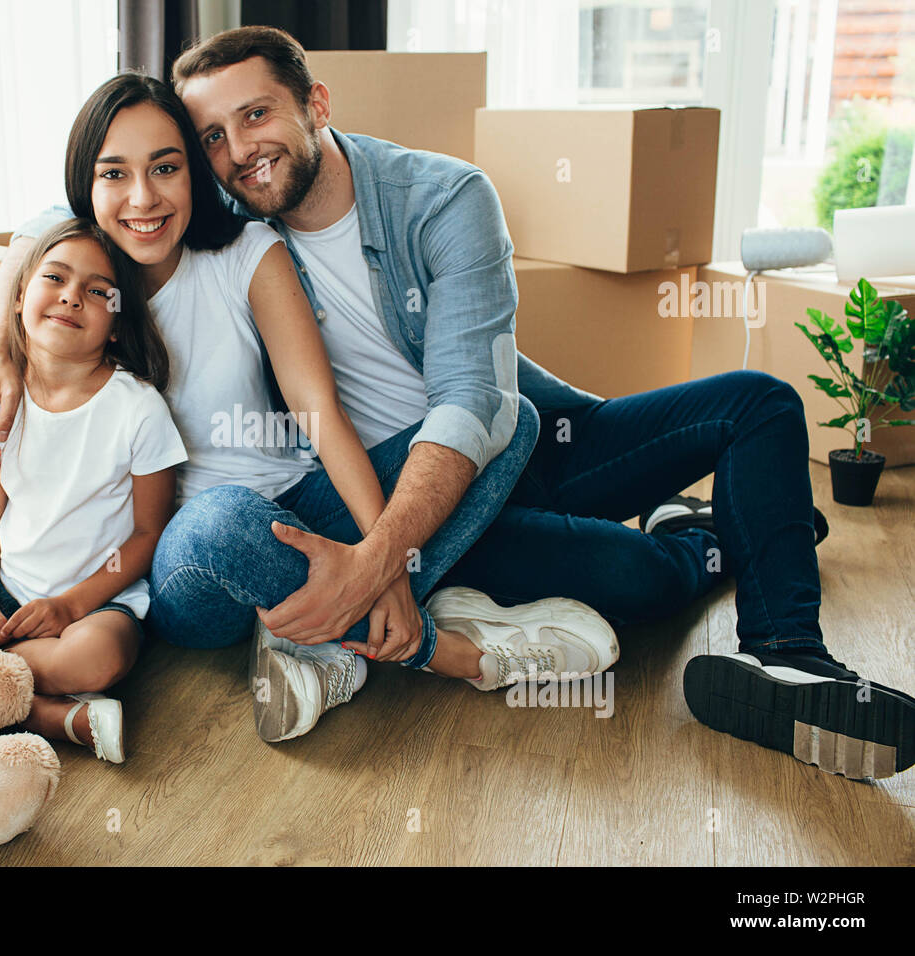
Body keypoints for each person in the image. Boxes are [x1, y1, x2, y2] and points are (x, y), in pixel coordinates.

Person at [163, 25, 915, 779]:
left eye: (256, 114)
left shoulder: (443, 194)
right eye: (213, 136)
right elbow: (94, 220)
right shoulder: (230, 240)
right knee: (640, 582)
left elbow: (474, 399)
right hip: (424, 506)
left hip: (531, 436)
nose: (238, 150)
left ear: (316, 104)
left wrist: (372, 569)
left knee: (759, 403)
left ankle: (788, 659)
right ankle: (712, 534)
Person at [0, 72, 619, 744]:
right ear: (87, 188)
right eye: (114, 175)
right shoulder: (75, 293)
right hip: (193, 558)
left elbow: (319, 410)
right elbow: (34, 239)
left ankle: (309, 643)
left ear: (195, 172)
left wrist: (382, 563)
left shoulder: (246, 252)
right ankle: (446, 652)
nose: (143, 197)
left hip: (298, 503)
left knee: (509, 422)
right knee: (222, 517)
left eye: (166, 167)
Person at [0, 218, 188, 764]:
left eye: (99, 291)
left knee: (97, 660)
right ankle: (52, 715)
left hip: (97, 603)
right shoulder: (0, 404)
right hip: (4, 596)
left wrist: (70, 606)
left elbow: (148, 535)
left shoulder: (136, 408)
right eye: (56, 277)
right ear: (22, 295)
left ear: (118, 324)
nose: (73, 296)